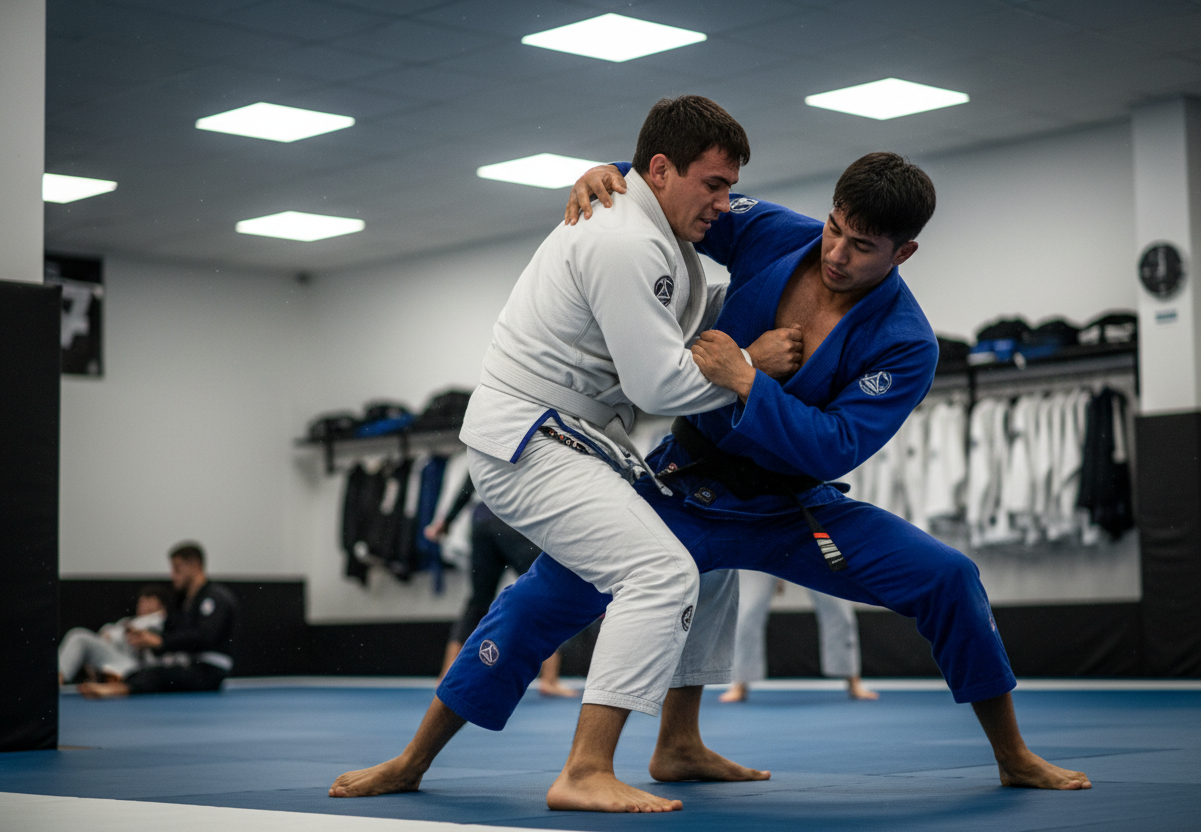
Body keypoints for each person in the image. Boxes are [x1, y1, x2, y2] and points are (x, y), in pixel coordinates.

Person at [331, 152, 1091, 809]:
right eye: (835, 228)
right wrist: (614, 178)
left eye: (861, 247)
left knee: (950, 576)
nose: (835, 252)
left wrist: (748, 381)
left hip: (793, 509)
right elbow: (681, 199)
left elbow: (833, 446)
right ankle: (415, 760)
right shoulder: (774, 230)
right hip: (687, 486)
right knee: (535, 602)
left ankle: (1014, 755)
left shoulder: (906, 343)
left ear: (904, 252)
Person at [424, 478, 576, 697]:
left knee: (478, 600)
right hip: (514, 514)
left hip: (483, 517)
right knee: (549, 592)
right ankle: (549, 680)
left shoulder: (488, 444)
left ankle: (447, 674)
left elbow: (469, 482)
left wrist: (446, 522)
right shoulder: (538, 444)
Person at [79, 541, 238, 698]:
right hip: (188, 664)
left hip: (210, 670)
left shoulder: (215, 597)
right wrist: (146, 639)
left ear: (194, 565)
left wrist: (160, 642)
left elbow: (204, 637)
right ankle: (118, 683)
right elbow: (170, 632)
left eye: (177, 569)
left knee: (160, 674)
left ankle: (116, 690)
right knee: (145, 669)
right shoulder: (183, 601)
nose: (173, 575)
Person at [719, 573, 877, 703]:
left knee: (839, 609)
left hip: (813, 538)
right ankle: (739, 683)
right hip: (762, 540)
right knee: (747, 612)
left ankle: (853, 680)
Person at [58, 584, 169, 685]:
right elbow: (107, 632)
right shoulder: (129, 621)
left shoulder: (160, 620)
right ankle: (103, 675)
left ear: (161, 606)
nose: (142, 605)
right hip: (117, 659)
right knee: (79, 638)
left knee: (79, 638)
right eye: (141, 601)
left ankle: (55, 681)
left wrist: (111, 635)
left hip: (137, 667)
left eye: (148, 601)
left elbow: (125, 635)